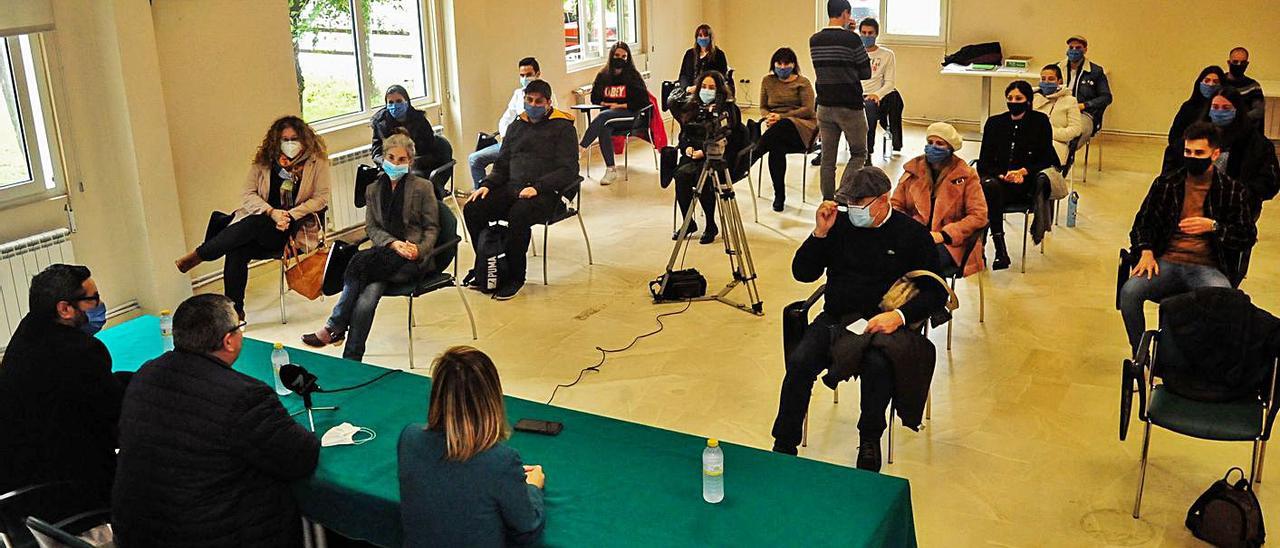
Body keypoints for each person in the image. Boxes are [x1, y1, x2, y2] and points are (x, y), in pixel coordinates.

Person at [771, 167, 945, 471]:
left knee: (878, 367)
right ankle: (784, 443)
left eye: (859, 203)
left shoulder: (912, 235)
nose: (852, 210)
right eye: (848, 203)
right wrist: (819, 233)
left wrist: (900, 316)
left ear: (883, 199)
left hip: (882, 324)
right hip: (837, 318)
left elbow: (936, 293)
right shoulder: (838, 225)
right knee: (800, 362)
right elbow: (803, 273)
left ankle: (869, 439)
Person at [113, 294, 320, 546]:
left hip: (138, 534)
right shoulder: (245, 396)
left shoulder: (146, 373)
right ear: (229, 341)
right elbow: (300, 457)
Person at [174, 116, 331, 321]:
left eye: (295, 138)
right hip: (262, 223)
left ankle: (203, 253)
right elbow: (248, 194)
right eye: (285, 139)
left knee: (253, 225)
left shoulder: (316, 162)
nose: (290, 143)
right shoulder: (264, 162)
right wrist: (271, 212)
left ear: (304, 139)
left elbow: (321, 198)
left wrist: (289, 214)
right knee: (238, 247)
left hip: (292, 231)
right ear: (276, 140)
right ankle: (235, 311)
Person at [303, 129, 440, 361]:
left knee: (360, 266)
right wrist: (393, 243)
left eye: (402, 159)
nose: (396, 163)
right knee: (368, 297)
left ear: (410, 161)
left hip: (411, 259)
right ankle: (351, 357)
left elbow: (432, 228)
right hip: (384, 256)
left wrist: (418, 249)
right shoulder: (373, 190)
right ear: (383, 158)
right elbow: (372, 228)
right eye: (391, 158)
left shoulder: (422, 187)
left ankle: (334, 327)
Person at [1120, 122, 1255, 353]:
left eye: (1199, 153)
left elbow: (1246, 236)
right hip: (1166, 261)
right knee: (1130, 293)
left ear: (1215, 154)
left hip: (1208, 265)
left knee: (1228, 306)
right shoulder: (1167, 183)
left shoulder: (1232, 190)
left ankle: (1204, 362)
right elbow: (1143, 223)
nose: (1192, 157)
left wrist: (1213, 226)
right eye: (1188, 152)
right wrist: (1146, 251)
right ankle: (1140, 353)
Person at [0, 264, 124, 506]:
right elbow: (115, 416)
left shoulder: (28, 331)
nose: (100, 306)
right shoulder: (82, 351)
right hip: (63, 488)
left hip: (18, 477)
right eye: (93, 299)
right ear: (65, 309)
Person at [398, 346, 545, 547]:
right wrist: (533, 487)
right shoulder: (501, 461)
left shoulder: (409, 437)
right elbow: (527, 524)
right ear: (491, 398)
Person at [465, 79, 579, 300]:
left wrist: (538, 187)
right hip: (514, 187)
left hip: (548, 194)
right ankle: (488, 263)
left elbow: (569, 170)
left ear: (548, 103)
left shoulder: (563, 128)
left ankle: (515, 276)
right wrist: (487, 185)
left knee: (519, 214)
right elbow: (502, 164)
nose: (533, 105)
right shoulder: (516, 126)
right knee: (473, 207)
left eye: (538, 101)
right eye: (529, 100)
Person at [977, 81, 1058, 270]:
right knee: (989, 188)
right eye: (1010, 98)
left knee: (988, 196)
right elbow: (984, 162)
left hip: (1026, 184)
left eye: (1018, 98)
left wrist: (1023, 172)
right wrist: (1002, 174)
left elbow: (1046, 158)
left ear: (1028, 100)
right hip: (998, 182)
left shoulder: (1040, 122)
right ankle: (1000, 249)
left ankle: (995, 249)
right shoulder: (995, 123)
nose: (1013, 102)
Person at [891, 123, 988, 276]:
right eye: (930, 143)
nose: (933, 147)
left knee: (920, 264)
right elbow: (895, 205)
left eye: (939, 143)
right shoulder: (912, 170)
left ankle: (930, 298)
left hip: (952, 243)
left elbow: (978, 216)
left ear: (950, 148)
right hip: (915, 236)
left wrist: (944, 235)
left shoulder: (967, 176)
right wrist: (907, 230)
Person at [810, 0, 872, 200]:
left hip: (824, 106)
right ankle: (842, 194)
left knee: (828, 159)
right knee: (859, 153)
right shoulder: (852, 40)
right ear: (846, 13)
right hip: (850, 106)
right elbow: (866, 72)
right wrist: (853, 37)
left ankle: (827, 200)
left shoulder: (814, 40)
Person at [672, 71, 740, 244]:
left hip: (717, 155)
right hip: (692, 153)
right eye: (703, 87)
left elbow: (731, 138)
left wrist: (705, 150)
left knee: (703, 177)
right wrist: (686, 148)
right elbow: (684, 135)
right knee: (681, 175)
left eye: (711, 88)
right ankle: (688, 222)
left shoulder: (728, 110)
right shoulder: (691, 107)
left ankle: (711, 224)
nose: (706, 91)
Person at [755, 47, 817, 211]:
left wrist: (781, 117)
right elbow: (762, 107)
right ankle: (779, 195)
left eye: (786, 63)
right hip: (776, 130)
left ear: (793, 64)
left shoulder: (802, 82)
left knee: (781, 127)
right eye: (779, 63)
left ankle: (752, 154)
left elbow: (808, 110)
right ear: (773, 64)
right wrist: (768, 116)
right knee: (776, 147)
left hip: (800, 127)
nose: (782, 67)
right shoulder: (767, 81)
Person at [580, 42, 648, 185]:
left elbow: (643, 101)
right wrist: (607, 104)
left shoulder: (633, 76)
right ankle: (611, 169)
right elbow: (595, 98)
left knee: (603, 117)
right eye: (617, 55)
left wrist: (620, 105)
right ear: (611, 56)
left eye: (624, 56)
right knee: (604, 126)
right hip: (609, 117)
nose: (620, 58)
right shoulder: (603, 76)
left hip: (630, 115)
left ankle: (580, 148)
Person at [469, 57, 541, 191]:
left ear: (537, 74)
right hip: (510, 142)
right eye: (522, 75)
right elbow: (506, 118)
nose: (525, 78)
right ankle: (480, 191)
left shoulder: (545, 95)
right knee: (474, 159)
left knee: (513, 169)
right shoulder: (518, 94)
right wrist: (504, 136)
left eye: (529, 75)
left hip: (530, 147)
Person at [1209, 87, 1280, 220]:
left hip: (1239, 211)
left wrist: (1243, 194)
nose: (1219, 112)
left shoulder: (1257, 143)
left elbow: (1270, 181)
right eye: (1215, 107)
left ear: (1237, 110)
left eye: (1226, 108)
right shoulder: (1198, 135)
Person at [372, 84, 454, 182]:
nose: (394, 106)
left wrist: (408, 163)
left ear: (407, 102)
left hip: (417, 166)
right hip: (390, 166)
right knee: (373, 182)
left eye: (398, 101)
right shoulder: (380, 122)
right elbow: (376, 152)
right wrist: (386, 163)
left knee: (409, 180)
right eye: (390, 102)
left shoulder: (419, 120)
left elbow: (429, 151)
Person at [1161, 66, 1226, 174]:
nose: (1210, 85)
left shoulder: (1221, 112)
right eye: (1207, 81)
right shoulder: (1188, 106)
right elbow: (1174, 134)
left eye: (1215, 82)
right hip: (1186, 151)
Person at [858, 17, 903, 161]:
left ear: (876, 34)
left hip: (876, 95)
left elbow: (890, 83)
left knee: (869, 110)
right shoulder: (854, 53)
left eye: (870, 33)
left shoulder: (887, 55)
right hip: (855, 93)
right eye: (863, 33)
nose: (866, 36)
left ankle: (867, 153)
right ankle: (822, 150)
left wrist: (877, 95)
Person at [1056, 35, 1112, 148]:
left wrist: (1084, 105)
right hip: (1059, 110)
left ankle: (1067, 159)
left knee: (1076, 133)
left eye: (1078, 48)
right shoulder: (1057, 68)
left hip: (1083, 113)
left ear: (1085, 50)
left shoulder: (1095, 71)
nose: (1074, 51)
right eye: (1071, 48)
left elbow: (1106, 97)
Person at [1033, 64, 1083, 168]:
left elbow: (1076, 129)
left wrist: (1048, 133)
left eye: (1051, 79)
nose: (1046, 82)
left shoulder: (1070, 101)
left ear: (1059, 81)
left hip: (1057, 143)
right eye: (1043, 79)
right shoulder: (1033, 98)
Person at [678, 24, 729, 92]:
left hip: (708, 91)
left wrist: (704, 87)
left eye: (705, 35)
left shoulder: (719, 55)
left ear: (710, 38)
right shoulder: (689, 54)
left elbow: (722, 77)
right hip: (689, 91)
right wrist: (687, 88)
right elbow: (683, 75)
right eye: (700, 35)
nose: (703, 38)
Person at [1224, 47, 1266, 129]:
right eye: (1235, 62)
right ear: (1229, 63)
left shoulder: (1253, 86)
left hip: (1244, 129)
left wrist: (1236, 119)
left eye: (1242, 63)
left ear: (1247, 64)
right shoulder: (1220, 82)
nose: (1239, 65)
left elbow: (1258, 111)